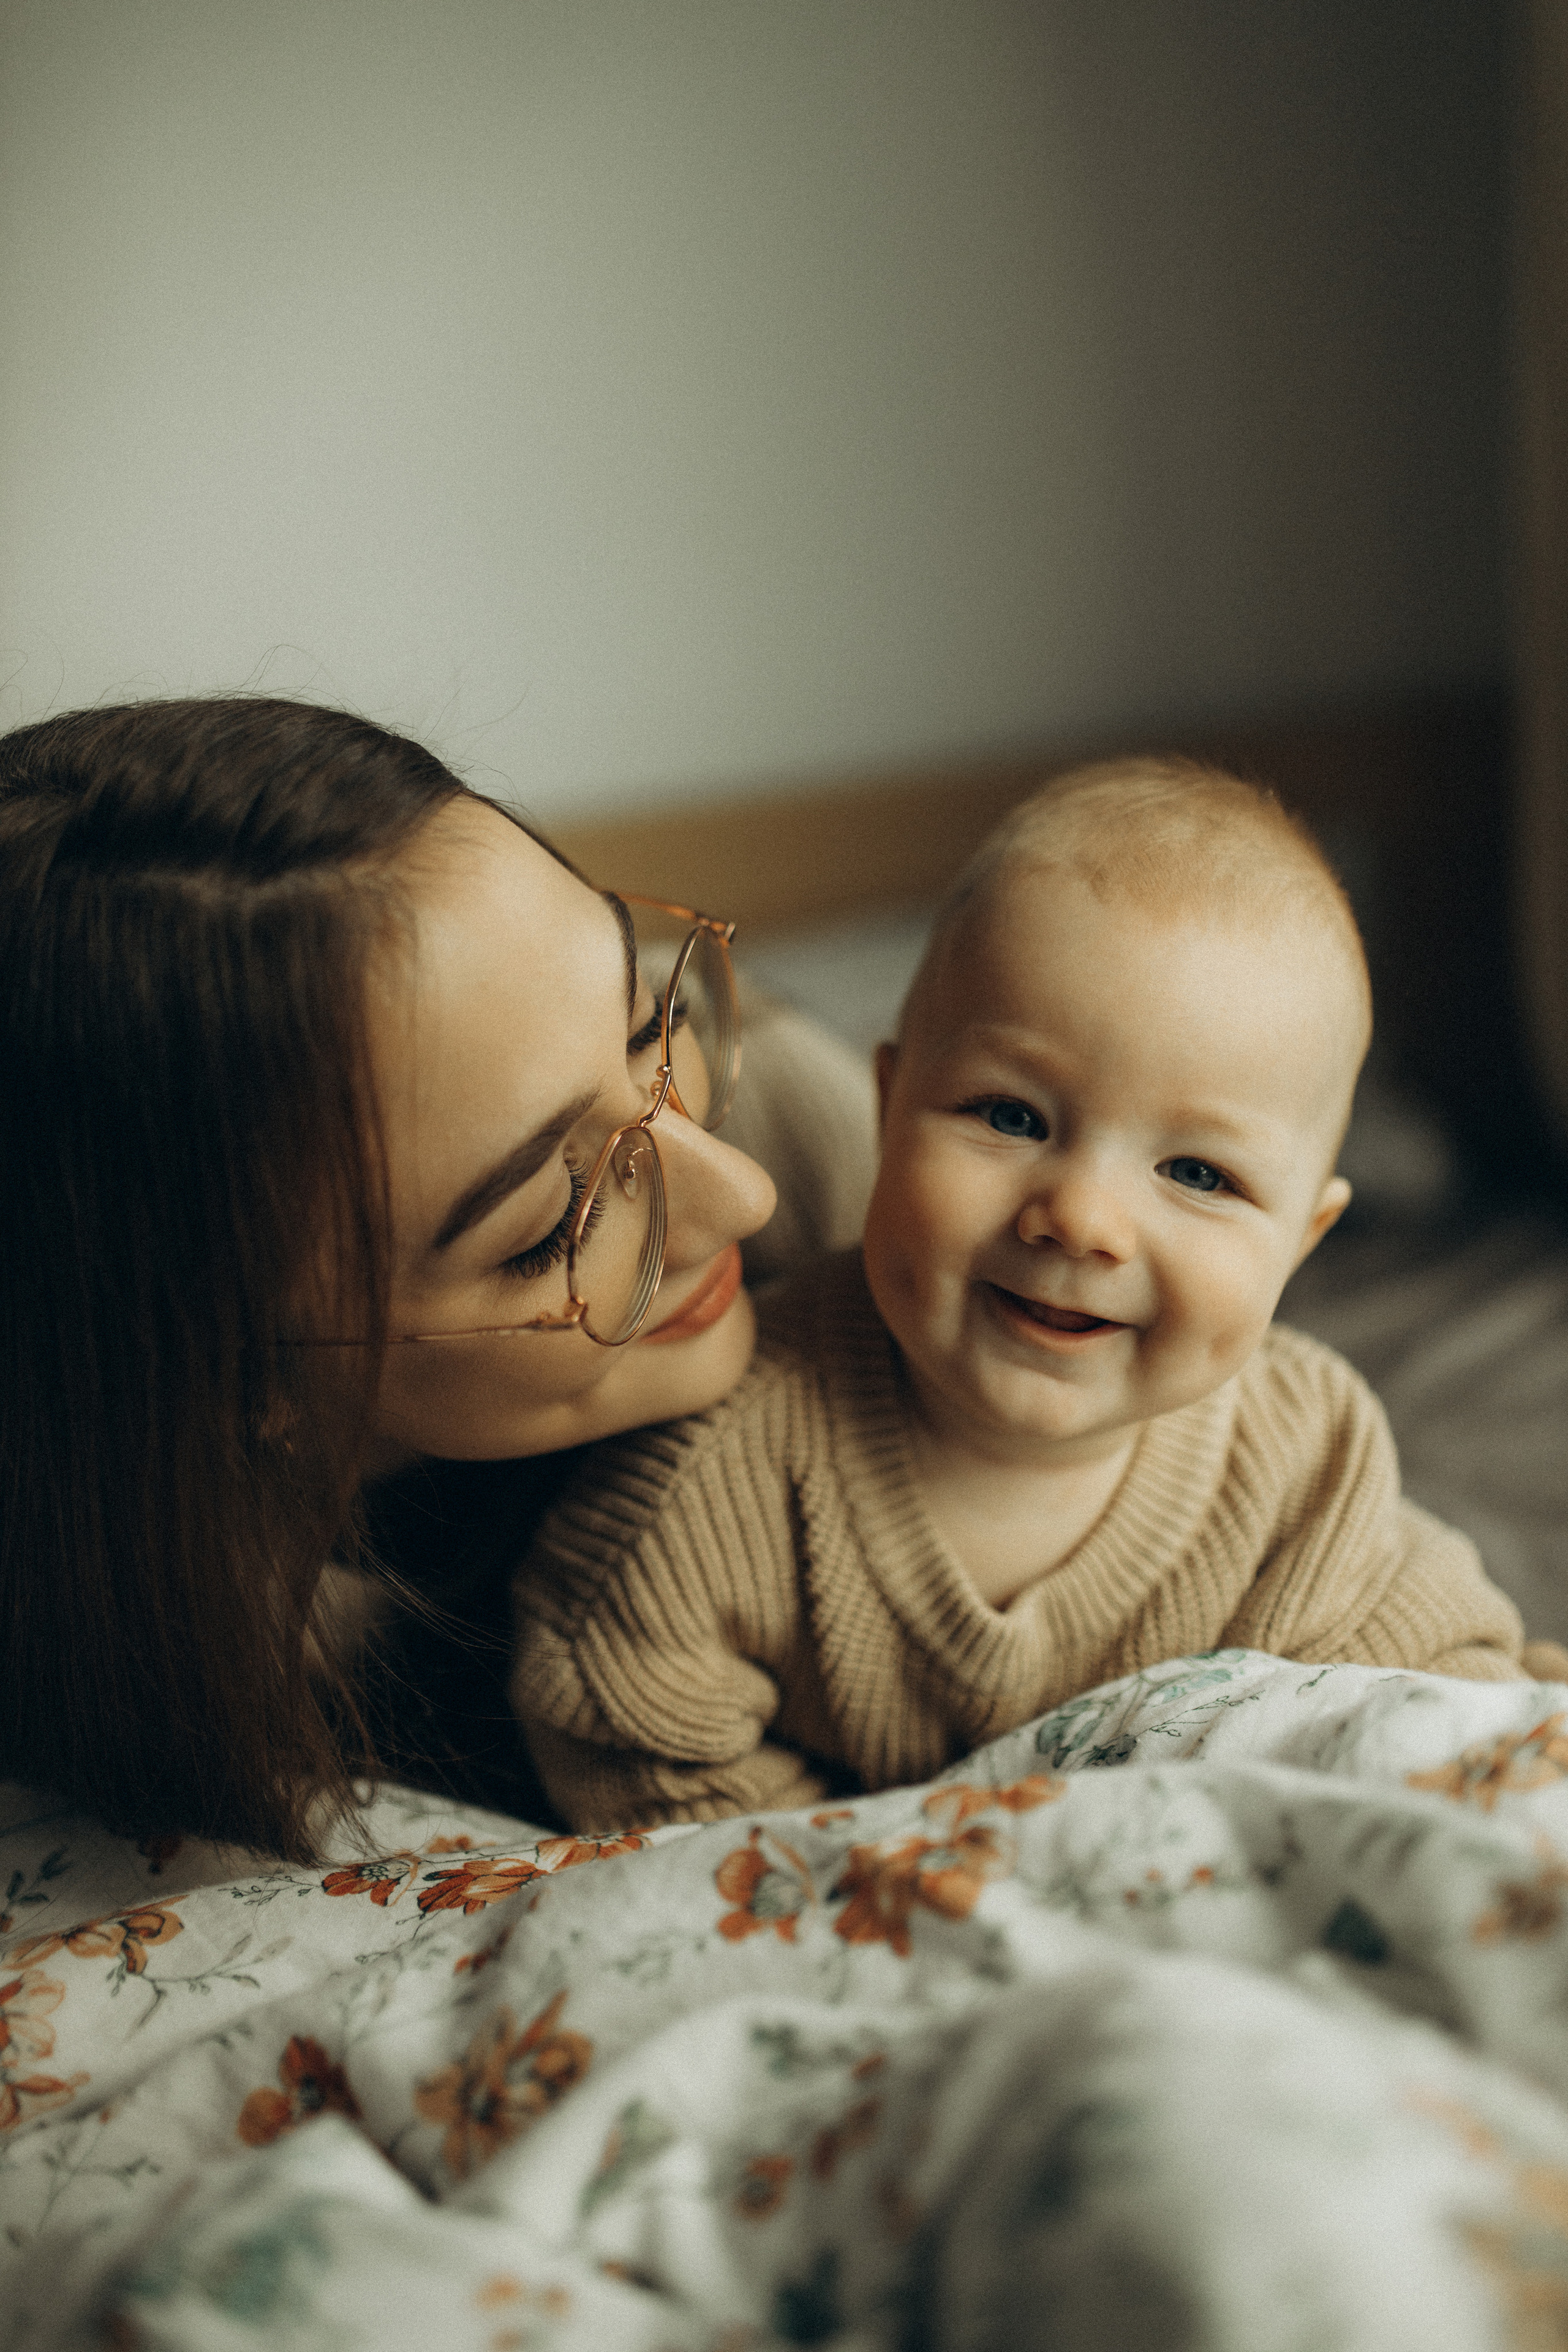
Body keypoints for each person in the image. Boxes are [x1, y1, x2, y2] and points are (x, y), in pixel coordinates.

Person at [512, 758, 1562, 1833]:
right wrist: (896, 1873)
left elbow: (1442, 1709)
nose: (1084, 1220)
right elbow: (631, 1744)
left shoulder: (1306, 1467)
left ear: (1303, 1243)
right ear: (889, 1107)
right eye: (1011, 1117)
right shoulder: (711, 1482)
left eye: (1199, 1174)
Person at [0, 696, 788, 1862]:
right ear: (231, 1381)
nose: (738, 1195)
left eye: (643, 1032)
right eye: (551, 1220)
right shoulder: (166, 1722)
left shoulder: (862, 1144)